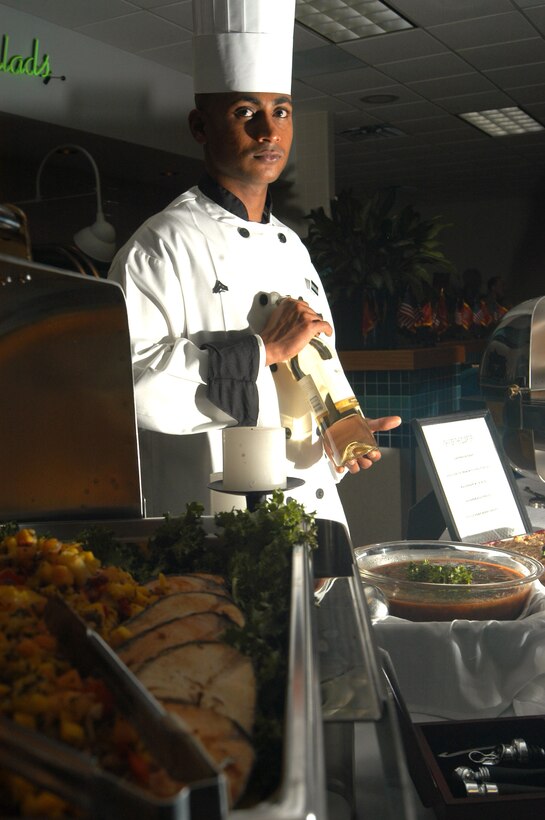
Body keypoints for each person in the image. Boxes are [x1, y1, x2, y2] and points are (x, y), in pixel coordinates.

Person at [108, 0, 401, 527]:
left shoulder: (294, 246)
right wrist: (259, 352)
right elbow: (123, 386)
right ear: (201, 125)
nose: (269, 131)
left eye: (281, 111)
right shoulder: (162, 243)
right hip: (213, 517)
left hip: (311, 501)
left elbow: (314, 366)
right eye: (245, 112)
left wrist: (339, 427)